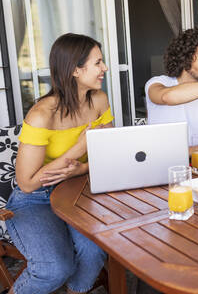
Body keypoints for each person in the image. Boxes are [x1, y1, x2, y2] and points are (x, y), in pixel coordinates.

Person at [7, 33, 112, 294]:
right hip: (35, 200)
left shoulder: (98, 100)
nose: (105, 68)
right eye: (98, 62)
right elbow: (27, 183)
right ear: (76, 70)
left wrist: (83, 168)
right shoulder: (43, 114)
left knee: (94, 252)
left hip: (78, 190)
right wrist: (78, 148)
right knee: (55, 267)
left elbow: (111, 153)